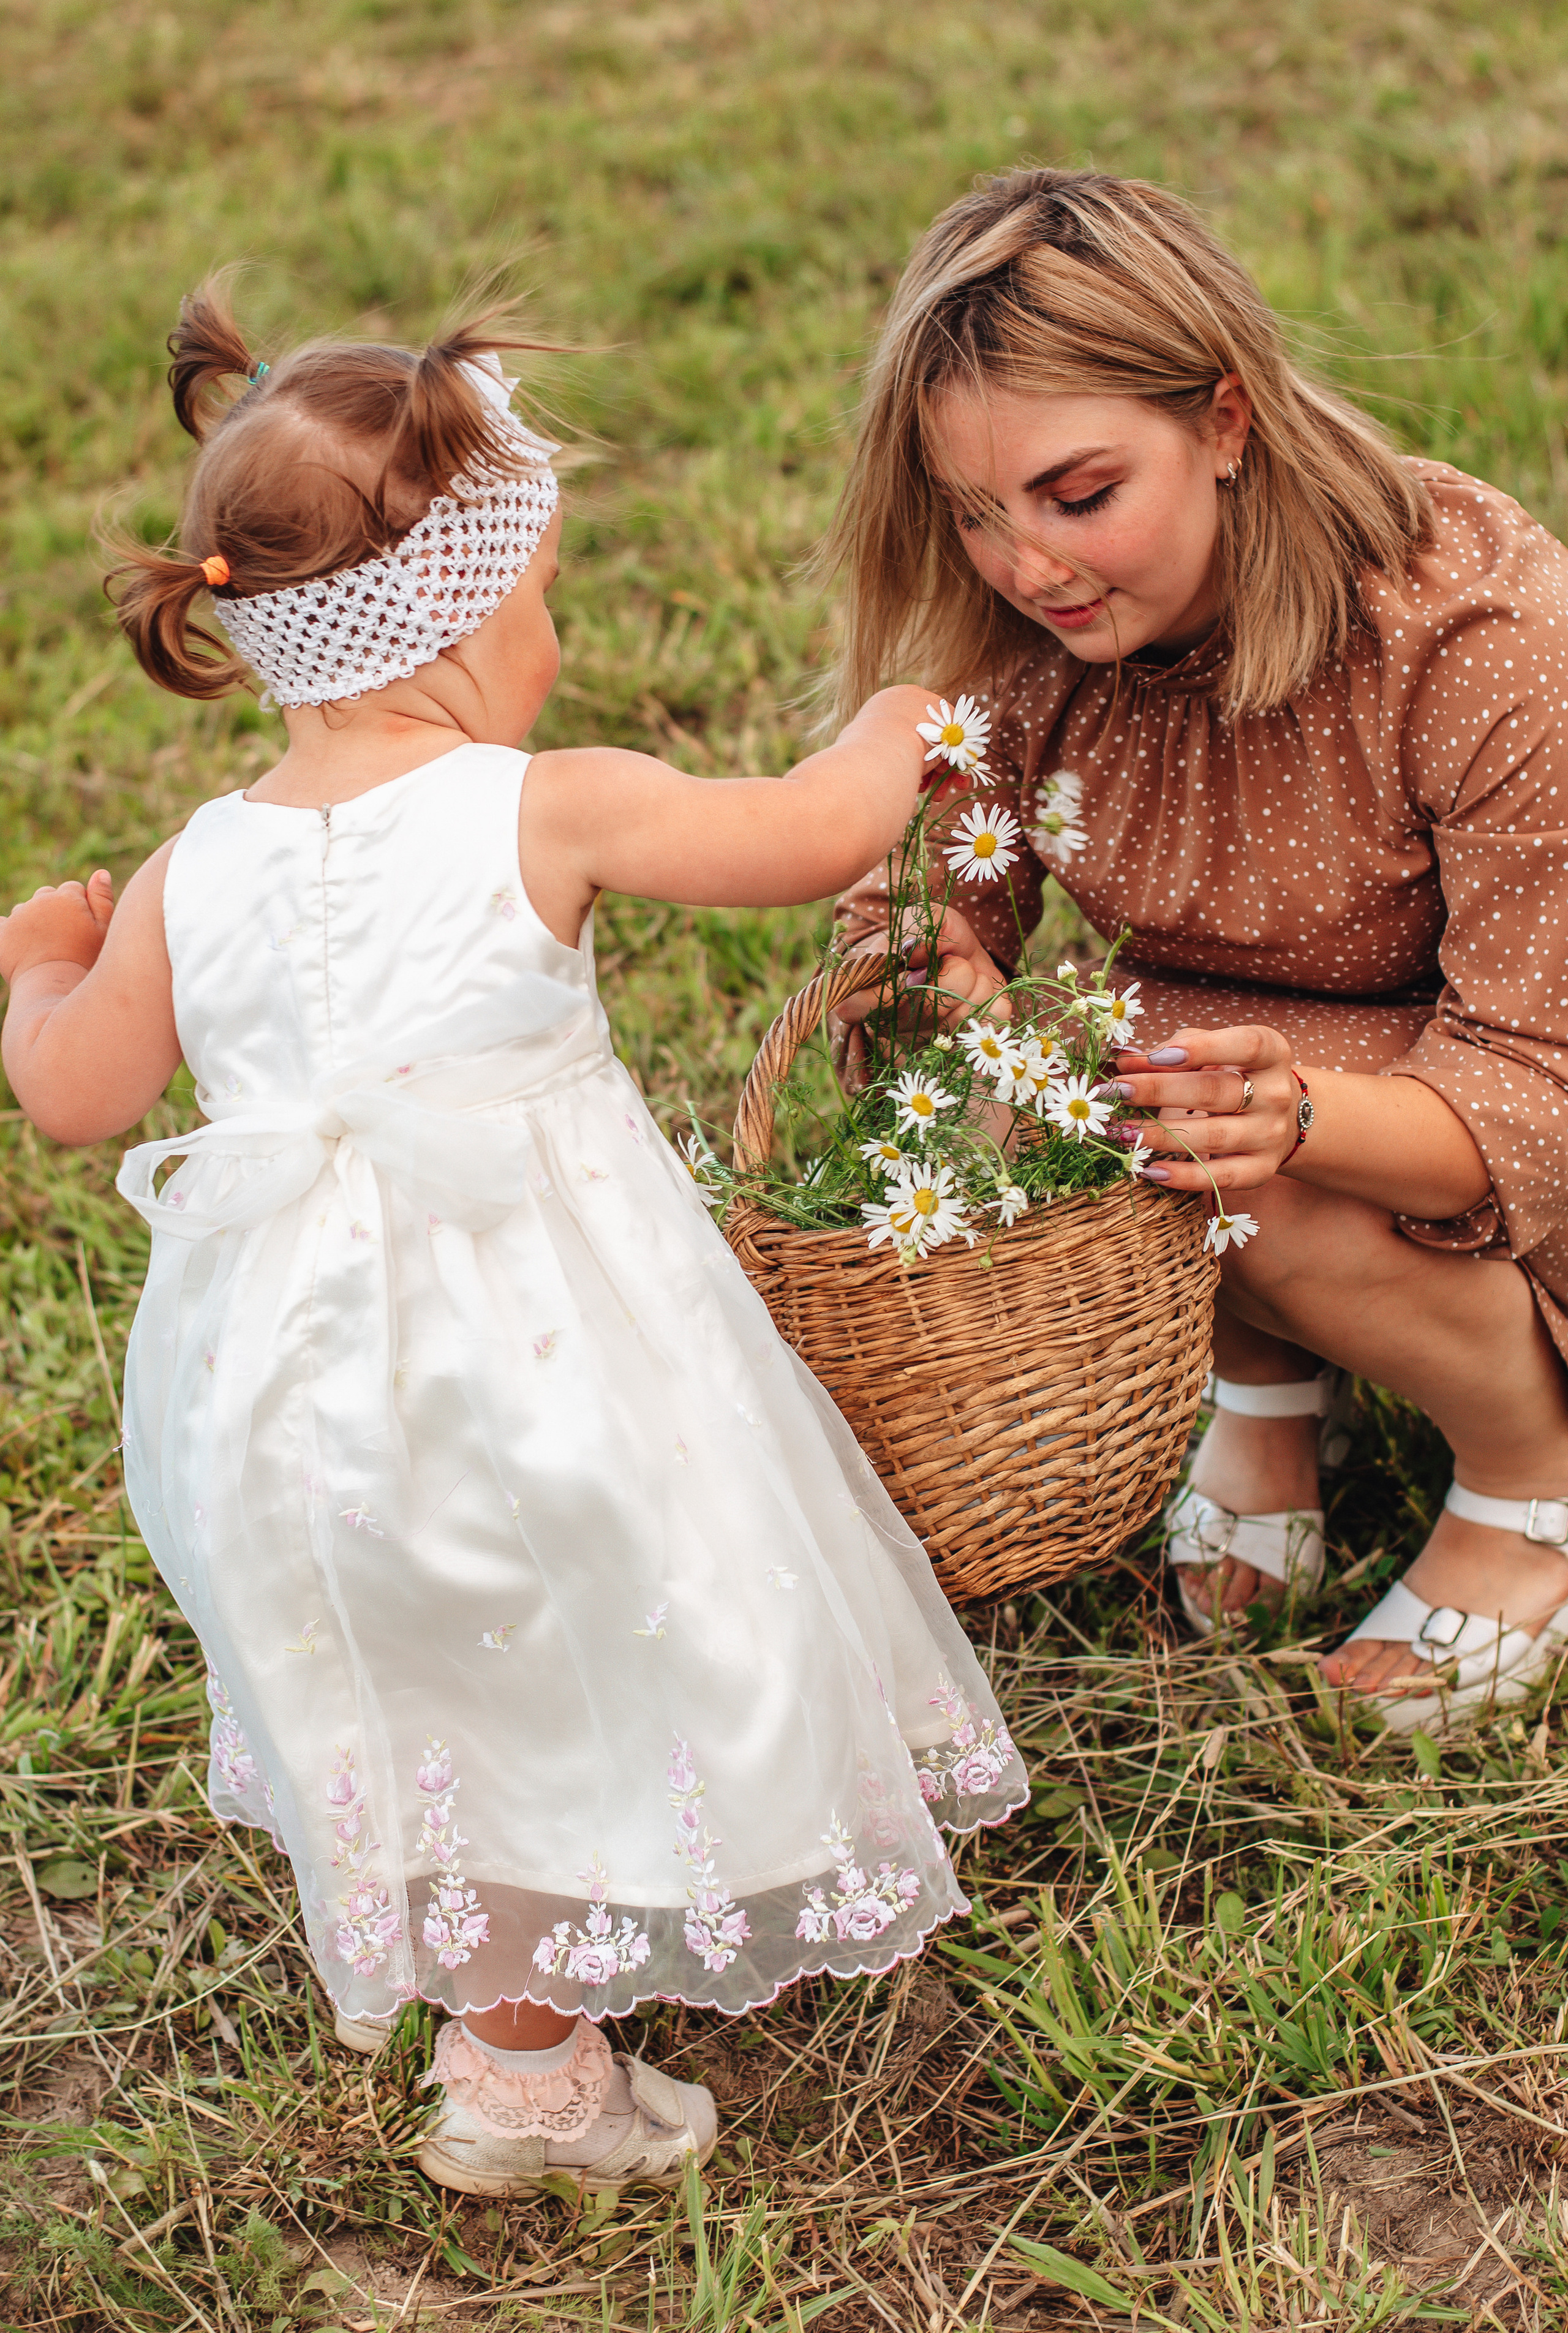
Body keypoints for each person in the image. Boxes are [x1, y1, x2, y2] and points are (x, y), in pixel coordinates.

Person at [0, 286, 1025, 2197]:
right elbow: (804, 837)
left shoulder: (185, 869)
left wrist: (35, 963)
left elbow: (71, 1096)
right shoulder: (542, 806)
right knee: (610, 1605)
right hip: (550, 1342)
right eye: (540, 595)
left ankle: (521, 2061)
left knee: (433, 1665)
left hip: (292, 1394)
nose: (548, 632)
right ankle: (598, 1963)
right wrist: (903, 724)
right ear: (461, 626)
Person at [825, 166, 1568, 1733]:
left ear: (1225, 422)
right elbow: (948, 862)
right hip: (1265, 1096)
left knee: (1196, 1124)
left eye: (1076, 493)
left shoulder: (1469, 631)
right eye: (973, 512)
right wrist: (929, 947)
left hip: (1495, 1104)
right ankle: (1269, 1385)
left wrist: (1289, 1121)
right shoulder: (1035, 637)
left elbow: (1535, 1085)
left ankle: (1524, 1470)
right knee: (1074, 1079)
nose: (1026, 563)